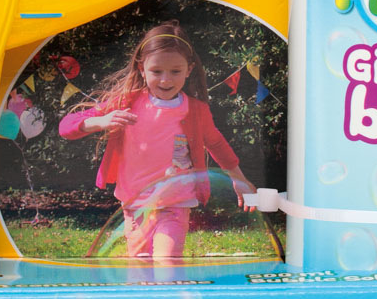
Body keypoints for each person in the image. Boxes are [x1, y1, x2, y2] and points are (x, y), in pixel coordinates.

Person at [59, 22, 255, 259]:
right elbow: (66, 127)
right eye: (156, 71)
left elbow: (215, 143)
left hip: (176, 203)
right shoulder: (127, 102)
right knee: (140, 266)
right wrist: (101, 121)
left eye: (175, 71)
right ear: (142, 69)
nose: (165, 80)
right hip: (135, 203)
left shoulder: (195, 110)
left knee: (167, 262)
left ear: (189, 69)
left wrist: (238, 179)